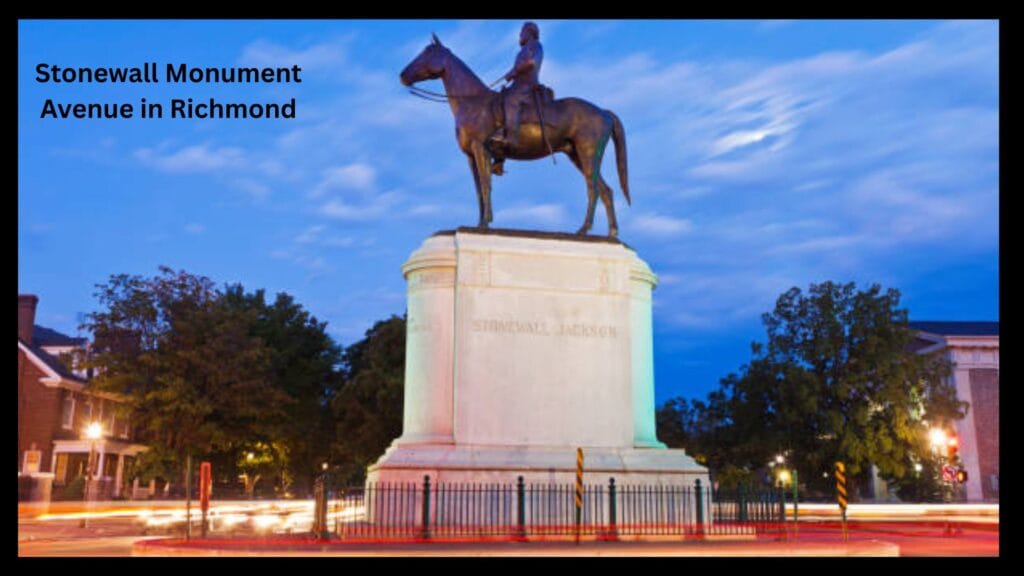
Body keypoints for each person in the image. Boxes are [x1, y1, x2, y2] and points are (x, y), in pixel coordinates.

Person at [491, 22, 543, 176]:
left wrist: (514, 71)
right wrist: (512, 73)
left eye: (522, 32)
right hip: (518, 84)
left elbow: (531, 62)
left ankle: (511, 137)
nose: (520, 36)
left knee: (510, 101)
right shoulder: (524, 49)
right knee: (499, 99)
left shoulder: (535, 45)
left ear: (530, 32)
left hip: (527, 85)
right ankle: (498, 159)